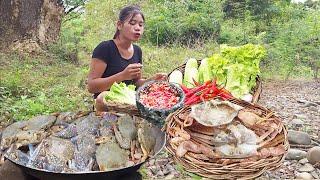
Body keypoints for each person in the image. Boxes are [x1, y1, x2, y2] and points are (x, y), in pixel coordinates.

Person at [87, 5, 167, 112]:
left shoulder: (137, 51)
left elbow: (136, 82)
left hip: (129, 104)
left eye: (141, 24)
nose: (138, 28)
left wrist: (151, 80)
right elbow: (91, 86)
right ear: (119, 25)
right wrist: (122, 75)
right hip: (105, 106)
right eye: (132, 23)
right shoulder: (105, 48)